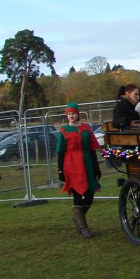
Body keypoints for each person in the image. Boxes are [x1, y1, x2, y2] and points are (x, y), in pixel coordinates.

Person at [56, 102, 101, 239]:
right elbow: (60, 152)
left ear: (78, 114)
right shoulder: (64, 131)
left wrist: (96, 166)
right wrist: (60, 171)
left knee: (89, 196)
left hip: (87, 164)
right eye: (69, 114)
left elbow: (92, 149)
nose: (71, 116)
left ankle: (77, 216)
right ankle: (83, 228)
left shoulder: (86, 128)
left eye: (73, 113)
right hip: (72, 165)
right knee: (77, 196)